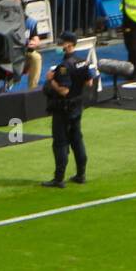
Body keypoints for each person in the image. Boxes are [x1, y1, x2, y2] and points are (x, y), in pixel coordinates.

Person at [43, 30, 92, 189]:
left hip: (63, 109)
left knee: (60, 143)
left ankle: (59, 179)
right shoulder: (83, 61)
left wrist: (51, 81)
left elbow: (63, 91)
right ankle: (81, 174)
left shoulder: (64, 66)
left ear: (69, 44)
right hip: (77, 106)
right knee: (77, 139)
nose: (59, 45)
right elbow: (89, 82)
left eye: (62, 43)